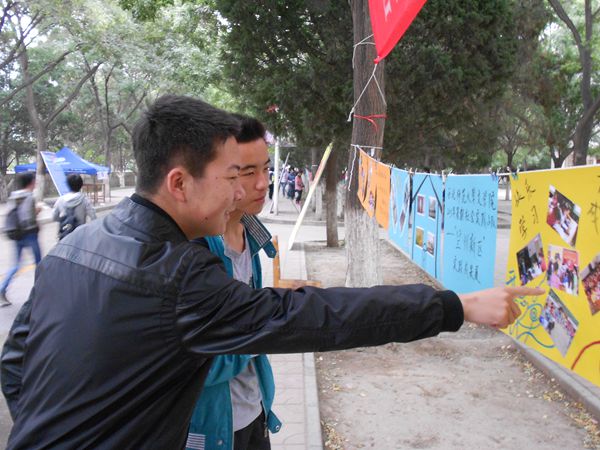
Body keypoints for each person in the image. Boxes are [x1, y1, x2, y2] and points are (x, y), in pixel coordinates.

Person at [1, 95, 541, 449]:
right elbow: (314, 317)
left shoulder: (75, 246)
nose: (241, 192)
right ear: (179, 183)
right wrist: (454, 306)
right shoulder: (181, 275)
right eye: (230, 177)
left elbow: (15, 360)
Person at [187, 115, 280, 450]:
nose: (262, 183)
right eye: (247, 172)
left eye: (266, 169)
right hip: (214, 429)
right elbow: (199, 364)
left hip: (256, 412)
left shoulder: (251, 234)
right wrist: (269, 326)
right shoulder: (195, 250)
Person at [0, 173, 41, 307]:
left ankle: (2, 290)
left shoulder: (13, 196)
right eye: (34, 181)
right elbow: (28, 218)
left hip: (16, 234)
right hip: (30, 234)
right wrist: (37, 212)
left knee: (16, 265)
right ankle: (42, 292)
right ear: (31, 182)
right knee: (39, 263)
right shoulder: (30, 197)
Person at [52, 173, 97, 239]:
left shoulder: (60, 200)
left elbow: (54, 217)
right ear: (81, 185)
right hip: (80, 234)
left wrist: (64, 220)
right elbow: (93, 217)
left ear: (68, 185)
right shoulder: (85, 200)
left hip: (65, 235)